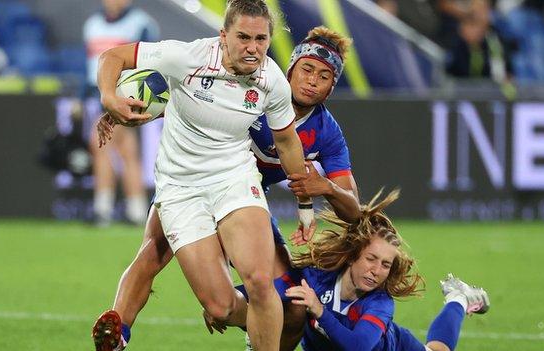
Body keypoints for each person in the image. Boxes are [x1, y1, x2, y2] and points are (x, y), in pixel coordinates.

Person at [92, 25, 361, 351]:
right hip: (198, 184)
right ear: (291, 68)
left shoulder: (327, 133)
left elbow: (353, 210)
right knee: (153, 250)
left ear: (333, 87)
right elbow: (189, 104)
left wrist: (327, 190)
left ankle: (250, 325)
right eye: (306, 69)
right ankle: (118, 334)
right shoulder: (254, 86)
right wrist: (126, 111)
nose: (312, 81)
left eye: (324, 76)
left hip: (245, 200)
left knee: (293, 307)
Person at [281, 190, 490, 351]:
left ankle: (459, 299)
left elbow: (358, 347)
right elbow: (259, 292)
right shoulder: (313, 279)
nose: (376, 271)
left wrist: (320, 311)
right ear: (353, 256)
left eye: (386, 265)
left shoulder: (380, 302)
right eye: (371, 259)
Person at [84, 0, 158, 226]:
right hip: (98, 95)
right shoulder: (92, 24)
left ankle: (102, 208)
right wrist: (81, 97)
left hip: (124, 96)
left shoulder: (142, 24)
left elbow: (152, 62)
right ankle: (135, 210)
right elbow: (88, 64)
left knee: (101, 143)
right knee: (127, 151)